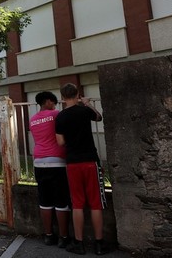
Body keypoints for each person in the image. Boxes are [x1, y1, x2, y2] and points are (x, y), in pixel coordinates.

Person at [55, 83, 107, 255]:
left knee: (77, 203)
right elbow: (99, 117)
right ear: (77, 94)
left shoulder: (61, 117)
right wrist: (87, 103)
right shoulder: (84, 111)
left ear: (62, 97)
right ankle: (99, 244)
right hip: (90, 160)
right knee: (95, 204)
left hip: (72, 162)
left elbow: (61, 142)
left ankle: (79, 243)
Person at [30, 91, 71, 248]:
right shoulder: (56, 114)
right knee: (61, 201)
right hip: (57, 161)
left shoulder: (32, 120)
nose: (54, 105)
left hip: (39, 162)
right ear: (47, 101)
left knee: (45, 201)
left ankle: (48, 235)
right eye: (53, 102)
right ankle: (63, 236)